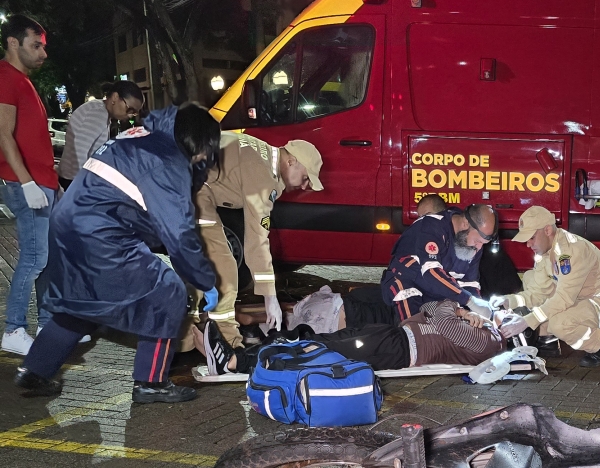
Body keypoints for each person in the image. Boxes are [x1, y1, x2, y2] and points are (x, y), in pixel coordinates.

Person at [14, 103, 220, 404]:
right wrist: (204, 279)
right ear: (200, 143)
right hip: (102, 234)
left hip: (68, 225)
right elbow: (179, 235)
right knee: (169, 293)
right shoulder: (167, 161)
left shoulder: (138, 137)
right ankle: (151, 383)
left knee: (81, 304)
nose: (205, 159)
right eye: (208, 151)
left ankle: (35, 370)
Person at [193, 132, 324, 348]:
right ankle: (228, 348)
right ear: (291, 161)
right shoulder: (263, 175)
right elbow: (257, 240)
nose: (305, 186)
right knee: (224, 269)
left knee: (204, 269)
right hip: (187, 189)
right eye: (306, 177)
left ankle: (197, 332)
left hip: (189, 186)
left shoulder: (260, 152)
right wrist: (270, 297)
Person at [198, 297, 506, 376]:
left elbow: (441, 317)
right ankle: (250, 354)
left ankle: (237, 361)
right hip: (392, 334)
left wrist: (457, 311)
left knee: (320, 351)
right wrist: (459, 311)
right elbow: (429, 306)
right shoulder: (478, 325)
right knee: (318, 339)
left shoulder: (489, 343)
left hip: (400, 348)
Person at [498, 205, 600, 367]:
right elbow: (538, 292)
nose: (528, 244)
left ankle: (599, 344)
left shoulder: (572, 252)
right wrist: (508, 301)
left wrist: (526, 322)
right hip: (578, 299)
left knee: (560, 323)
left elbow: (563, 298)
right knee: (531, 278)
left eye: (531, 238)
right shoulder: (546, 252)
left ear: (547, 230)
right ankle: (547, 340)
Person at [0, 15, 57, 356]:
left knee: (46, 258)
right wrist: (28, 183)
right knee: (35, 258)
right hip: (28, 185)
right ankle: (14, 328)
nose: (43, 54)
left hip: (40, 183)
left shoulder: (20, 80)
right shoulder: (7, 77)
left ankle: (48, 324)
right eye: (36, 45)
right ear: (13, 43)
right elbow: (3, 135)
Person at [381, 203, 496, 320]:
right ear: (465, 223)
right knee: (417, 330)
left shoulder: (473, 246)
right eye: (477, 241)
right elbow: (431, 273)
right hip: (408, 285)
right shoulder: (432, 226)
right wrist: (469, 300)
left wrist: (481, 306)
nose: (479, 247)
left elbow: (470, 282)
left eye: (483, 243)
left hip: (438, 292)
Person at [57, 81, 145, 190]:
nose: (130, 115)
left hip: (74, 180)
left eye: (134, 112)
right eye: (129, 109)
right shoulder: (97, 114)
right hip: (75, 182)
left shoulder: (99, 110)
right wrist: (85, 187)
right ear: (115, 97)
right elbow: (79, 153)